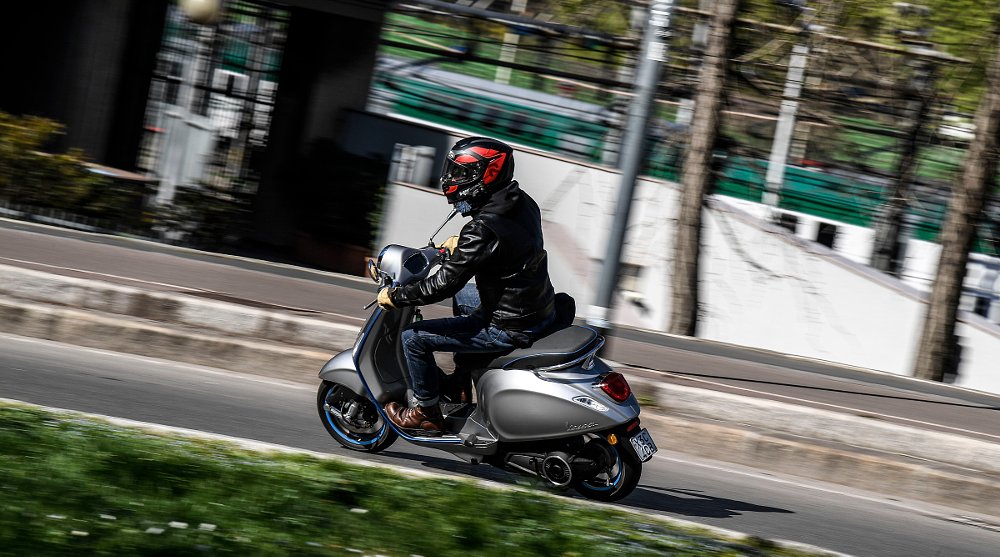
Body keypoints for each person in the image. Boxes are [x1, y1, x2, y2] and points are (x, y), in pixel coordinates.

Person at [376, 137, 557, 432]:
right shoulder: (522, 203)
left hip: (507, 325)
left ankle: (426, 412)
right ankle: (459, 384)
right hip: (534, 307)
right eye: (452, 170)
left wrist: (397, 296)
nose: (451, 179)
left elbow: (442, 285)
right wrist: (462, 245)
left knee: (413, 338)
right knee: (465, 296)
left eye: (460, 172)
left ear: (486, 174)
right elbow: (510, 244)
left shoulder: (482, 228)